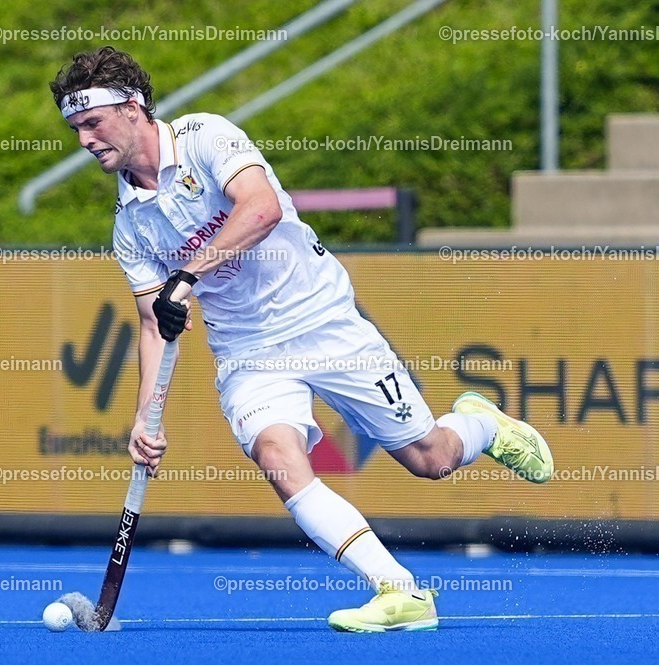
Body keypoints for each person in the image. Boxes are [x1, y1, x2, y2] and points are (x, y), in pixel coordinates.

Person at [49, 46, 553, 633]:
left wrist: (188, 274)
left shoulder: (206, 137)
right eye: (74, 128)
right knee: (278, 457)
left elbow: (260, 210)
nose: (84, 140)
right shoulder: (130, 225)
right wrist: (144, 419)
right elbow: (153, 321)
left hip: (322, 319)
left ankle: (482, 423)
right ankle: (401, 593)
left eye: (92, 122)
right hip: (247, 351)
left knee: (430, 458)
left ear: (133, 107)